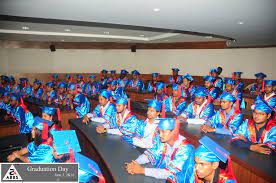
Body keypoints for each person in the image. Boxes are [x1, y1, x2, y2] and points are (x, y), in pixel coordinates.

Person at [125, 118, 194, 181]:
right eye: (159, 131)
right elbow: (150, 154)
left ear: (174, 132)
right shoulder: (162, 140)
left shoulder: (185, 149)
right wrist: (135, 163)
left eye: (163, 132)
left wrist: (142, 170)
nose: (160, 135)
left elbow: (169, 173)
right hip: (159, 177)